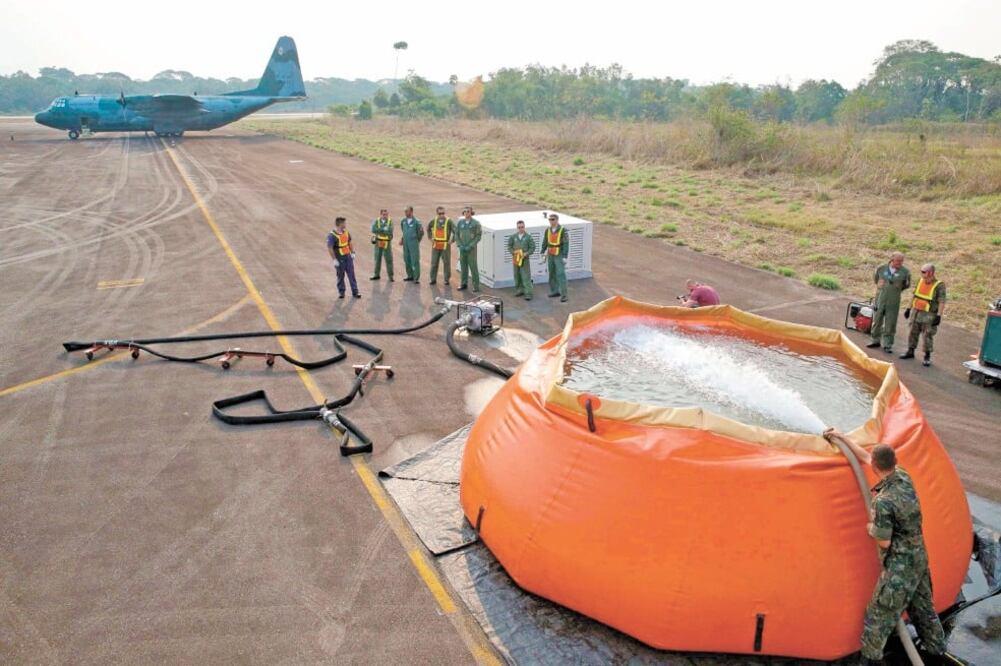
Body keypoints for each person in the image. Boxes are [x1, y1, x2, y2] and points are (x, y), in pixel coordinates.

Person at [823, 430, 947, 666]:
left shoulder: (884, 501)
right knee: (923, 608)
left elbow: (884, 541)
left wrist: (871, 525)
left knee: (878, 615)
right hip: (919, 557)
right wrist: (841, 437)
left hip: (900, 567)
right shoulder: (903, 476)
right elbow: (868, 458)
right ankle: (936, 648)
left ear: (877, 467)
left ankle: (870, 660)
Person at [900, 263, 946, 367]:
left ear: (930, 273)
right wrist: (908, 308)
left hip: (929, 315)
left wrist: (939, 316)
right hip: (916, 312)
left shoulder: (939, 285)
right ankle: (910, 351)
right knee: (912, 332)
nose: (921, 273)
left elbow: (942, 301)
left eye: (924, 272)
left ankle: (927, 356)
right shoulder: (920, 281)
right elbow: (914, 295)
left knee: (927, 335)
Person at [866, 252, 911, 354]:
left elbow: (906, 285)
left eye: (901, 261)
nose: (900, 263)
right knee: (877, 320)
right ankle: (875, 340)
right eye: (898, 261)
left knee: (891, 322)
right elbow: (876, 279)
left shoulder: (905, 272)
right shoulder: (881, 268)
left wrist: (894, 289)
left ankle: (887, 344)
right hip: (880, 298)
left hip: (893, 300)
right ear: (891, 259)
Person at [326, 217, 361, 299]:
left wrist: (352, 252)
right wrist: (334, 260)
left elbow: (349, 242)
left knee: (351, 275)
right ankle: (341, 292)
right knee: (340, 275)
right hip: (339, 258)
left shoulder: (346, 232)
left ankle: (355, 291)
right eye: (344, 223)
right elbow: (330, 248)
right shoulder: (332, 235)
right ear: (340, 224)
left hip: (348, 257)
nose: (345, 224)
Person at [541, 213, 569, 302]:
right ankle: (555, 291)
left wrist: (565, 256)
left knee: (560, 273)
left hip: (559, 253)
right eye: (550, 220)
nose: (551, 221)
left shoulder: (563, 230)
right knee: (552, 272)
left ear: (557, 220)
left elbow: (566, 243)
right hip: (550, 253)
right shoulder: (548, 230)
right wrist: (542, 251)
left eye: (553, 219)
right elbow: (545, 241)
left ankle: (564, 295)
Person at [455, 206, 483, 292]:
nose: (467, 213)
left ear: (471, 213)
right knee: (463, 267)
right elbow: (456, 234)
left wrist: (471, 245)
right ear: (463, 213)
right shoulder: (460, 223)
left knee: (473, 267)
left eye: (468, 211)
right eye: (465, 211)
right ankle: (464, 284)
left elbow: (478, 236)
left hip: (471, 250)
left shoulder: (476, 223)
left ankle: (476, 286)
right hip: (462, 249)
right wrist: (460, 245)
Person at [507, 220, 536, 300]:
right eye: (519, 227)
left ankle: (528, 293)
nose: (521, 229)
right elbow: (509, 246)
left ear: (524, 227)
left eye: (522, 227)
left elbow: (532, 248)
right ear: (517, 228)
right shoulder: (513, 237)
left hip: (524, 259)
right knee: (517, 275)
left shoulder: (528, 237)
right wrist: (513, 252)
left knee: (526, 276)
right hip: (516, 259)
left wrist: (526, 253)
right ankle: (519, 290)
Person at [427, 206, 454, 286]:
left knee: (446, 263)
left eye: (443, 213)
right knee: (434, 263)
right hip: (436, 244)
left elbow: (456, 231)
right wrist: (430, 237)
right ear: (437, 213)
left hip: (445, 245)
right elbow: (428, 228)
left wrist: (452, 240)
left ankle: (446, 279)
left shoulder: (449, 221)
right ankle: (433, 279)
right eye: (440, 213)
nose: (442, 215)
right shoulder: (433, 221)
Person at [399, 206, 423, 283]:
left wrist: (416, 240)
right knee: (406, 259)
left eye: (407, 211)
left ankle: (416, 278)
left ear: (412, 212)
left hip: (413, 243)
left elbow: (421, 233)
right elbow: (404, 231)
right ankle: (410, 275)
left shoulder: (417, 222)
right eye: (405, 211)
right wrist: (402, 239)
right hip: (406, 243)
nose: (406, 213)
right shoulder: (403, 221)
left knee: (415, 260)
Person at [370, 208, 394, 281]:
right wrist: (384, 229)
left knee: (389, 259)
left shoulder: (390, 221)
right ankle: (376, 275)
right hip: (378, 242)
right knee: (377, 259)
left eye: (386, 214)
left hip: (387, 242)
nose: (385, 216)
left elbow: (390, 231)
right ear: (380, 214)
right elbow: (373, 230)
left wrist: (380, 230)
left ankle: (391, 276)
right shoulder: (376, 221)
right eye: (383, 214)